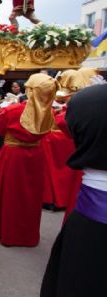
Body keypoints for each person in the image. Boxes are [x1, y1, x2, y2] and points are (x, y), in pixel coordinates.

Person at [35, 82, 107, 297]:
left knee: (79, 295)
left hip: (93, 220)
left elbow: (66, 125)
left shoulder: (91, 100)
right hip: (95, 208)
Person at [0, 73, 57, 247]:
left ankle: (5, 231)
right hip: (36, 154)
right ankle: (27, 234)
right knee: (31, 195)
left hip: (13, 154)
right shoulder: (50, 112)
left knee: (10, 192)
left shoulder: (14, 110)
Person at [41, 70, 87, 211]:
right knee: (68, 172)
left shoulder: (76, 100)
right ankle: (61, 198)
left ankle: (54, 198)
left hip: (59, 138)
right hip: (68, 140)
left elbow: (62, 122)